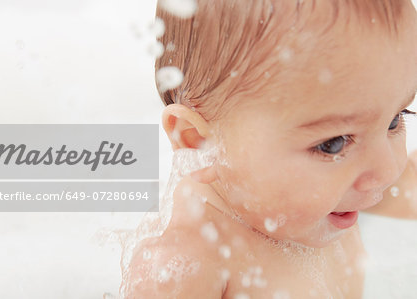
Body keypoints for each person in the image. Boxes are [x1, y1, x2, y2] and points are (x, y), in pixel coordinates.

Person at [120, 0, 417, 297]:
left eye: (394, 120)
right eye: (332, 144)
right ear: (201, 143)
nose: (387, 171)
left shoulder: (333, 198)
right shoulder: (184, 267)